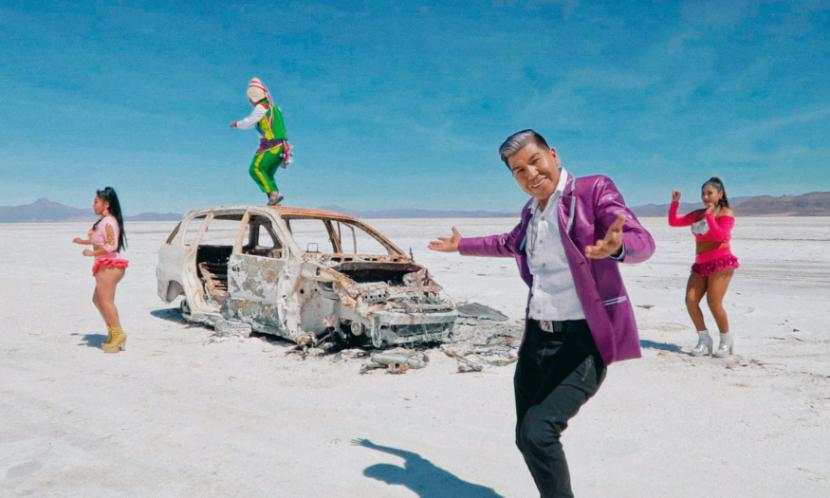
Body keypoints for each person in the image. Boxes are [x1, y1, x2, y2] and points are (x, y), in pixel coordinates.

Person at [429, 129, 655, 497]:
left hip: (583, 341)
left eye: (535, 162)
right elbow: (508, 243)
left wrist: (618, 246)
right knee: (526, 437)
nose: (531, 174)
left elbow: (642, 241)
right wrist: (462, 245)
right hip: (537, 339)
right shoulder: (531, 212)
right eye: (519, 171)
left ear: (553, 154)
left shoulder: (593, 191)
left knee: (539, 433)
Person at [668, 177, 739, 357]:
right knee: (691, 300)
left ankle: (726, 340)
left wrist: (709, 216)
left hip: (721, 262)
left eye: (710, 193)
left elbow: (720, 236)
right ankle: (704, 339)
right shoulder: (698, 214)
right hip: (701, 264)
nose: (705, 197)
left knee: (714, 302)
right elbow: (674, 222)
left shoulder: (726, 213)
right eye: (703, 194)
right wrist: (675, 203)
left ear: (720, 194)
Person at [72, 187, 129, 353]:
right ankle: (113, 332)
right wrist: (82, 242)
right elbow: (99, 241)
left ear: (107, 204)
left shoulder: (109, 221)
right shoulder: (103, 222)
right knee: (98, 300)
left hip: (109, 266)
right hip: (104, 266)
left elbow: (111, 245)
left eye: (96, 201)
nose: (93, 205)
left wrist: (92, 253)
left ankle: (118, 335)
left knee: (105, 301)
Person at [230, 77, 292, 206]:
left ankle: (274, 195)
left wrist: (237, 124)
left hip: (272, 146)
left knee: (255, 168)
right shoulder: (275, 108)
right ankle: (274, 200)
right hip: (282, 148)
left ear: (253, 96)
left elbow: (249, 122)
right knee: (267, 172)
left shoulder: (262, 108)